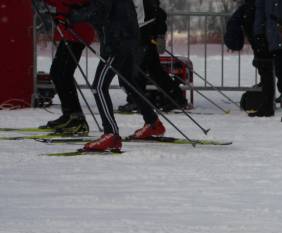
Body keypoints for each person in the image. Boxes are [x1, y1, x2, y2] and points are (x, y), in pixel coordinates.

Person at [64, 0, 164, 151]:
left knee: (99, 86)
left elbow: (98, 12)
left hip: (117, 42)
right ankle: (152, 122)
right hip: (127, 38)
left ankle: (110, 133)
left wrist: (72, 16)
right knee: (129, 83)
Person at [119, 0, 187, 114]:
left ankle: (137, 100)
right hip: (143, 35)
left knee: (138, 71)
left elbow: (157, 13)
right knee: (154, 70)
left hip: (143, 36)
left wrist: (159, 34)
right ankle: (176, 97)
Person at [42, 0, 95, 135]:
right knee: (57, 73)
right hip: (69, 30)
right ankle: (69, 114)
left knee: (63, 74)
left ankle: (77, 119)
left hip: (77, 29)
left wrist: (62, 13)